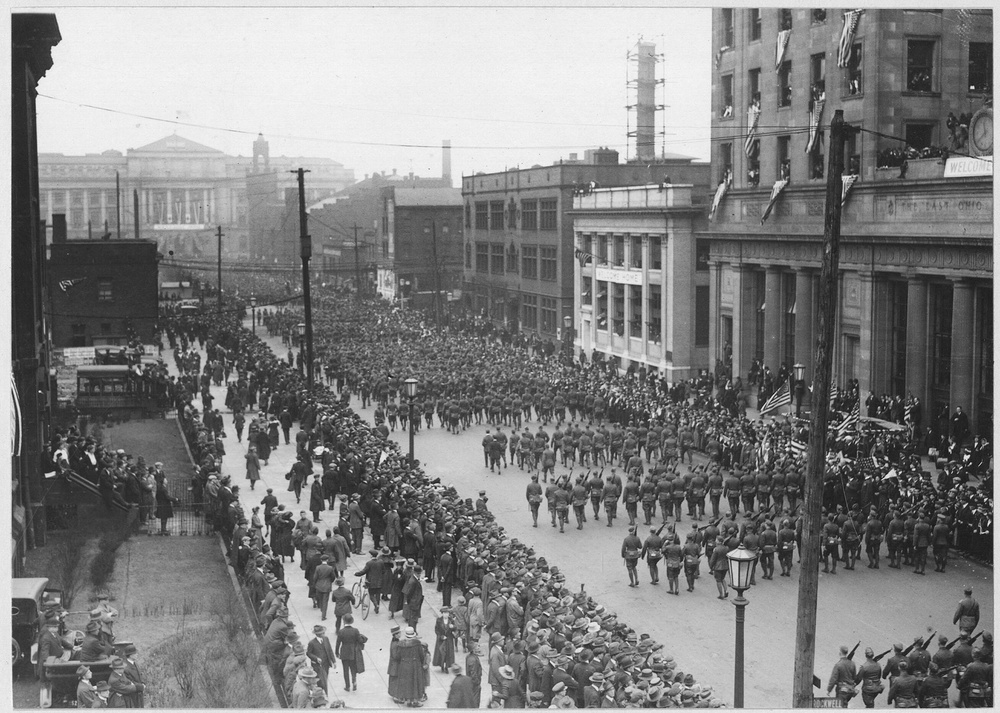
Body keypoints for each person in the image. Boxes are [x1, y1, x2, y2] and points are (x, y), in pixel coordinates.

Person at [389, 626, 427, 706]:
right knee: (415, 682)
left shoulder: (401, 644)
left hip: (404, 665)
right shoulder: (417, 644)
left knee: (407, 683)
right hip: (415, 665)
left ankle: (408, 700)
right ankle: (414, 701)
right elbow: (421, 655)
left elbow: (398, 656)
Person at [335, 613, 367, 692]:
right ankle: (354, 681)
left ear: (344, 621)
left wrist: (337, 652)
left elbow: (338, 643)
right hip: (353, 652)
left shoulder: (341, 631)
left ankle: (347, 686)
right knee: (353, 668)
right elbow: (359, 640)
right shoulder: (355, 630)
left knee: (345, 670)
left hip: (344, 652)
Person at [307, 624, 336, 694]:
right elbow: (308, 653)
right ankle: (324, 694)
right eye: (321, 633)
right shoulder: (312, 643)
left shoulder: (326, 639)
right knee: (321, 681)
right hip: (318, 666)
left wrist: (334, 661)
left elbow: (330, 650)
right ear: (317, 634)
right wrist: (316, 658)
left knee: (325, 679)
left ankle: (324, 693)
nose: (323, 634)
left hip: (326, 664)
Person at [433, 606, 457, 673]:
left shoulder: (451, 620)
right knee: (441, 653)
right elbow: (436, 630)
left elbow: (455, 628)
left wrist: (453, 627)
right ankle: (442, 666)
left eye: (447, 613)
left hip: (449, 639)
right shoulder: (439, 620)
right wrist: (441, 636)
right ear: (442, 614)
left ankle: (447, 666)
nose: (446, 614)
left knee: (448, 653)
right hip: (441, 640)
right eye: (444, 613)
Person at [466, 641, 484, 707]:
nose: (479, 648)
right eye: (477, 647)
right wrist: (477, 682)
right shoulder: (472, 659)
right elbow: (473, 673)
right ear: (473, 650)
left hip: (473, 683)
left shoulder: (471, 657)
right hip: (474, 684)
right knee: (475, 701)